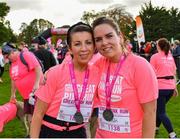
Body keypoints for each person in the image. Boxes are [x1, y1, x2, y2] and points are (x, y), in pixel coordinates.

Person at [91, 17, 158, 138]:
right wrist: (51, 73)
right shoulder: (97, 65)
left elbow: (150, 112)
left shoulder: (140, 66)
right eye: (98, 39)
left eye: (109, 36)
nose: (104, 42)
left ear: (120, 37)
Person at [30, 22, 100, 138]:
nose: (84, 49)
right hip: (50, 132)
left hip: (78, 132)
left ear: (94, 47)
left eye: (88, 43)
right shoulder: (55, 73)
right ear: (70, 49)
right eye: (77, 44)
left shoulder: (98, 73)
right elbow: (38, 114)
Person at [1, 43, 43, 136]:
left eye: (8, 57)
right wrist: (13, 94)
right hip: (26, 96)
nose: (8, 59)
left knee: (38, 116)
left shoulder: (26, 55)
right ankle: (32, 134)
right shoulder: (12, 65)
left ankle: (39, 134)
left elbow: (38, 68)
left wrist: (36, 84)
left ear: (12, 52)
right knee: (29, 115)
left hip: (36, 93)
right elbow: (13, 80)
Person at [150, 38, 178, 138]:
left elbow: (151, 73)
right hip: (170, 87)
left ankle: (172, 134)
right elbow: (174, 72)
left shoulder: (155, 57)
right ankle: (156, 128)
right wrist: (175, 87)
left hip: (160, 87)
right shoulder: (170, 56)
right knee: (159, 109)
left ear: (159, 46)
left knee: (161, 112)